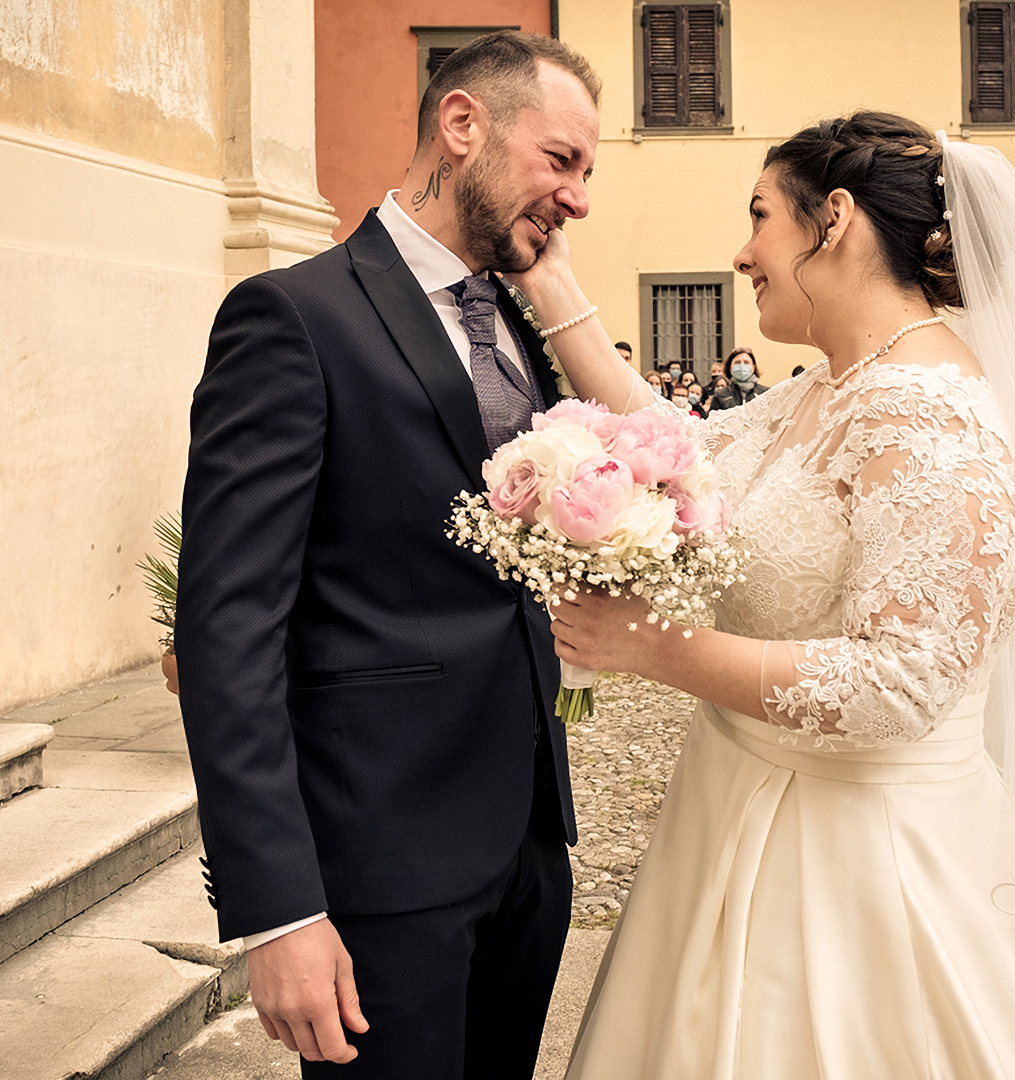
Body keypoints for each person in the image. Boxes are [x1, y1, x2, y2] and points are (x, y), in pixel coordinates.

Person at [514, 111, 1015, 1079]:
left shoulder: (931, 417)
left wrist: (658, 649)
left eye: (759, 217)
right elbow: (685, 446)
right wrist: (551, 286)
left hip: (865, 869)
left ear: (831, 220)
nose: (743, 253)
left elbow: (903, 683)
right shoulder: (825, 389)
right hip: (727, 819)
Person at [175, 31, 600, 1079]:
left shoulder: (517, 316)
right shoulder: (293, 318)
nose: (577, 199)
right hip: (381, 861)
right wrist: (278, 911)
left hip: (525, 848)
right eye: (560, 161)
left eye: (588, 172)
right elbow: (227, 631)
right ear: (462, 126)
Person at [707, 345, 768, 409]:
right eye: (737, 362)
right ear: (730, 368)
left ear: (753, 368)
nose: (742, 366)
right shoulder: (720, 395)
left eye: (746, 362)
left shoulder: (765, 393)